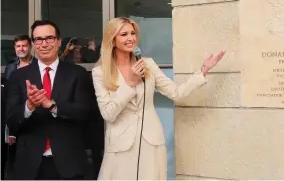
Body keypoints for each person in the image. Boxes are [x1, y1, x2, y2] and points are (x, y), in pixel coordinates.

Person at [92, 17, 225, 180]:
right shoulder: (100, 72)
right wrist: (131, 83)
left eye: (133, 33)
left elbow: (176, 92)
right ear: (112, 40)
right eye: (124, 34)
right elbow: (108, 114)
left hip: (151, 143)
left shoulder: (148, 65)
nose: (130, 38)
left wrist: (202, 71)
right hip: (120, 145)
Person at [6, 20, 96, 180]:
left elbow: (86, 112)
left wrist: (53, 106)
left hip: (69, 162)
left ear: (59, 41)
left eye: (49, 38)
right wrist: (29, 106)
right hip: (29, 164)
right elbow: (11, 120)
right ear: (33, 43)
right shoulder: (18, 76)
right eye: (38, 39)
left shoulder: (77, 73)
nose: (44, 44)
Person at [3, 34, 37, 178]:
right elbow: (8, 95)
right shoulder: (10, 68)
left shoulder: (38, 64)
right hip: (16, 114)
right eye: (18, 46)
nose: (21, 49)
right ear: (14, 48)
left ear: (30, 47)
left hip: (34, 114)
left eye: (24, 45)